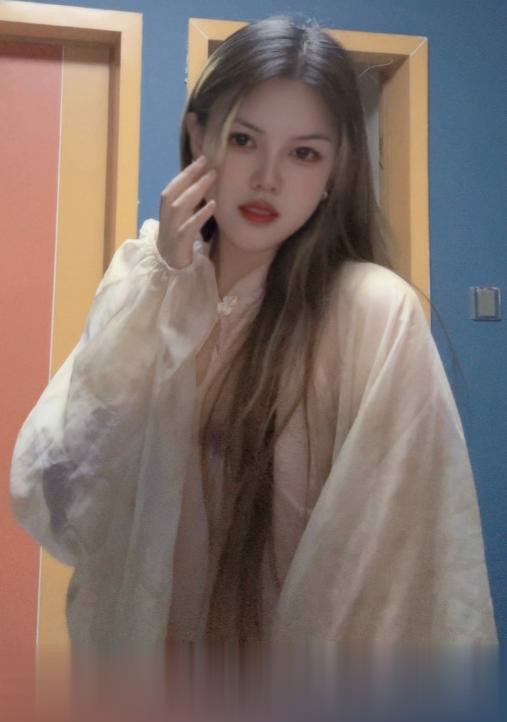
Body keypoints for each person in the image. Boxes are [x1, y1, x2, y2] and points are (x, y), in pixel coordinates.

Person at [9, 16, 497, 654]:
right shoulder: (145, 284)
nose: (268, 177)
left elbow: (405, 590)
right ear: (198, 136)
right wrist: (161, 288)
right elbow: (62, 505)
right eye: (244, 140)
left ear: (335, 171)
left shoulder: (374, 313)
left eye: (304, 153)